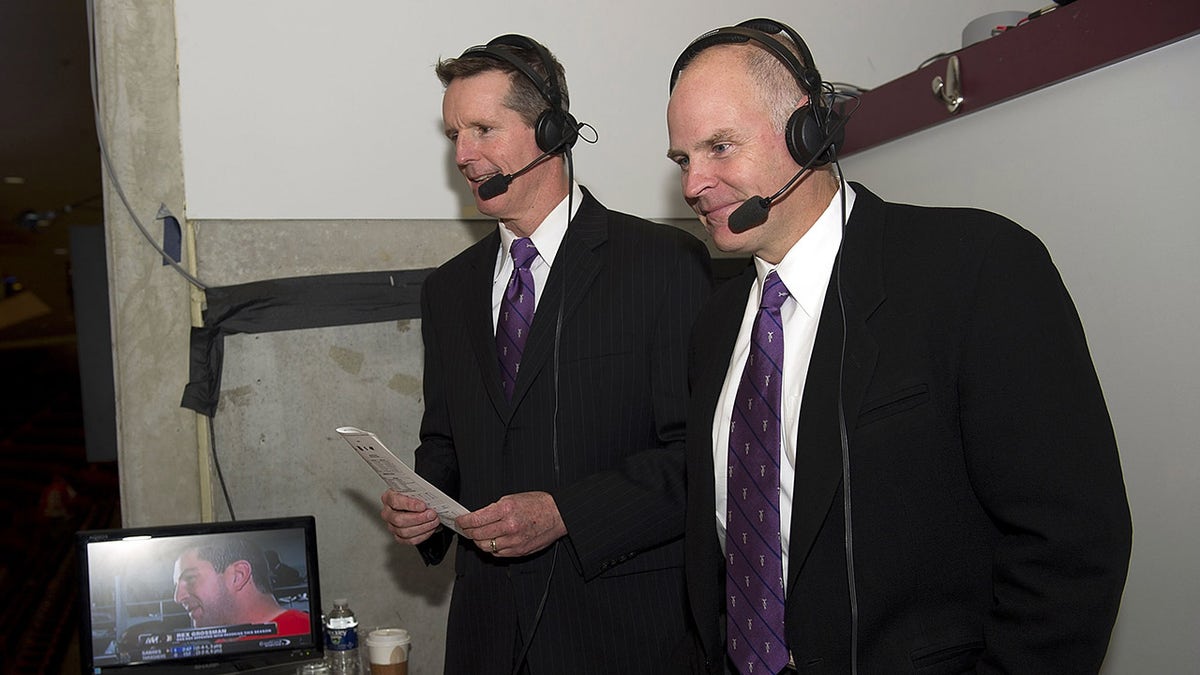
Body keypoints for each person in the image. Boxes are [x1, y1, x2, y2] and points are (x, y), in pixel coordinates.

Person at [665, 18, 1132, 674]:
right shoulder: (715, 325)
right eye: (683, 159)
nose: (692, 184)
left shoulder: (976, 269)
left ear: (807, 129)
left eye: (719, 147)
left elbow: (1072, 548)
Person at [378, 34, 712, 674]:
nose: (463, 156)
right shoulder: (447, 291)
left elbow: (696, 460)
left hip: (623, 637)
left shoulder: (662, 265)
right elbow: (444, 442)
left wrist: (567, 514)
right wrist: (424, 503)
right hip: (487, 639)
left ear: (552, 130)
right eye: (454, 135)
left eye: (482, 129)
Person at [173, 537, 310, 639]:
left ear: (238, 576)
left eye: (190, 578)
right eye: (176, 585)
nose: (178, 598)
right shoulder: (223, 645)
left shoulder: (305, 633)